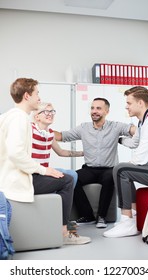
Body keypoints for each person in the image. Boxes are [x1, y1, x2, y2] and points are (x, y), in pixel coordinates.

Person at [0, 78, 91, 245]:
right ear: (27, 96)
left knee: (68, 176)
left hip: (15, 176)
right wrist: (44, 170)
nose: (39, 98)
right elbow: (15, 153)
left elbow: (61, 151)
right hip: (19, 179)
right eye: (37, 94)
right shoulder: (21, 119)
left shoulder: (9, 116)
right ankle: (65, 232)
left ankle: (63, 224)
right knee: (68, 180)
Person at [54, 97, 136, 228]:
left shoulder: (115, 127)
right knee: (71, 178)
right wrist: (43, 130)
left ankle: (102, 217)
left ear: (106, 111)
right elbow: (62, 136)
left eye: (98, 108)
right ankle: (87, 216)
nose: (94, 111)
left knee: (109, 178)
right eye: (92, 108)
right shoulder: (84, 128)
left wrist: (139, 131)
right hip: (90, 169)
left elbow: (132, 130)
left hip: (108, 169)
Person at [103, 86, 148, 238]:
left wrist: (124, 167)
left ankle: (127, 221)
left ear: (140, 103)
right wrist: (117, 138)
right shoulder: (143, 121)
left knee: (121, 170)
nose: (126, 106)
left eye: (129, 103)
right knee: (123, 170)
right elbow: (134, 143)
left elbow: (140, 158)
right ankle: (132, 217)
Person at [31, 101, 84, 188]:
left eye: (52, 111)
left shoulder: (50, 134)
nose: (50, 114)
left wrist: (83, 153)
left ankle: (62, 199)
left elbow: (61, 152)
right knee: (67, 178)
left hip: (45, 171)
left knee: (73, 174)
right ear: (37, 117)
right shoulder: (30, 129)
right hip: (35, 172)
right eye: (46, 111)